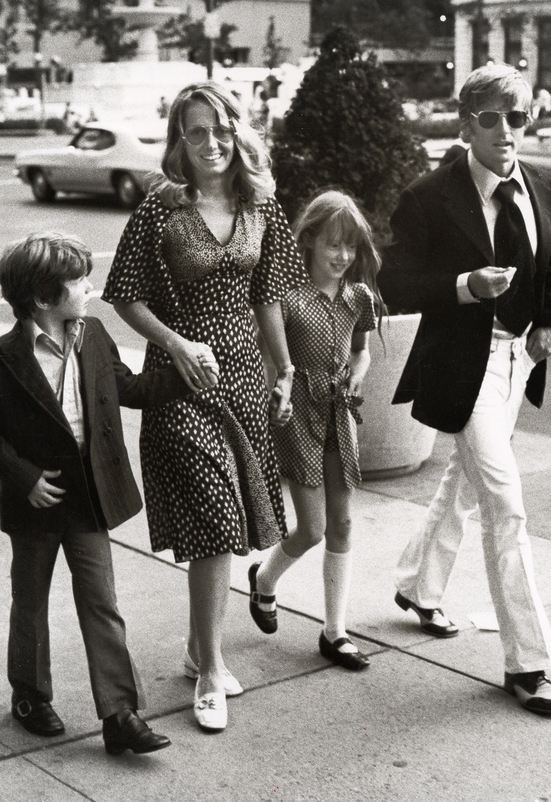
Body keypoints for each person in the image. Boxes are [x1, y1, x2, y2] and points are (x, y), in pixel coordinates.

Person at [102, 82, 306, 732]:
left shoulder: (261, 205)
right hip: (181, 382)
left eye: (220, 129)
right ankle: (212, 671)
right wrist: (174, 341)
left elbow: (270, 294)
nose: (212, 143)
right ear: (179, 142)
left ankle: (199, 650)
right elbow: (123, 293)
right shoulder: (159, 210)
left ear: (236, 132)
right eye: (197, 132)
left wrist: (285, 371)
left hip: (245, 378)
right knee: (216, 516)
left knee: (230, 521)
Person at [377, 64, 551, 715]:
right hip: (467, 365)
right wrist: (464, 286)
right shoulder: (430, 195)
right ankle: (529, 663)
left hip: (518, 361)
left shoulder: (541, 184)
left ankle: (414, 585)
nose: (509, 131)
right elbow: (395, 284)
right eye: (494, 119)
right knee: (506, 506)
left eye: (519, 118)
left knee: (463, 486)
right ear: (467, 125)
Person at [0, 233, 205, 753]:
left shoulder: (92, 337)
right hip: (36, 501)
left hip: (89, 495)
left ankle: (119, 715)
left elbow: (129, 389)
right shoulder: (5, 357)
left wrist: (188, 376)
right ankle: (30, 695)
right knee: (31, 600)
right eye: (79, 281)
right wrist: (24, 479)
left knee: (101, 602)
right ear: (43, 298)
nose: (90, 288)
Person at [248, 190, 383, 670]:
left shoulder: (357, 298)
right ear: (308, 241)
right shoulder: (287, 298)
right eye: (333, 245)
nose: (343, 257)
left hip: (338, 411)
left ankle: (335, 633)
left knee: (342, 524)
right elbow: (269, 355)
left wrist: (358, 370)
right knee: (312, 527)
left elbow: (361, 350)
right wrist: (275, 393)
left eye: (350, 247)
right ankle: (265, 579)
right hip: (298, 410)